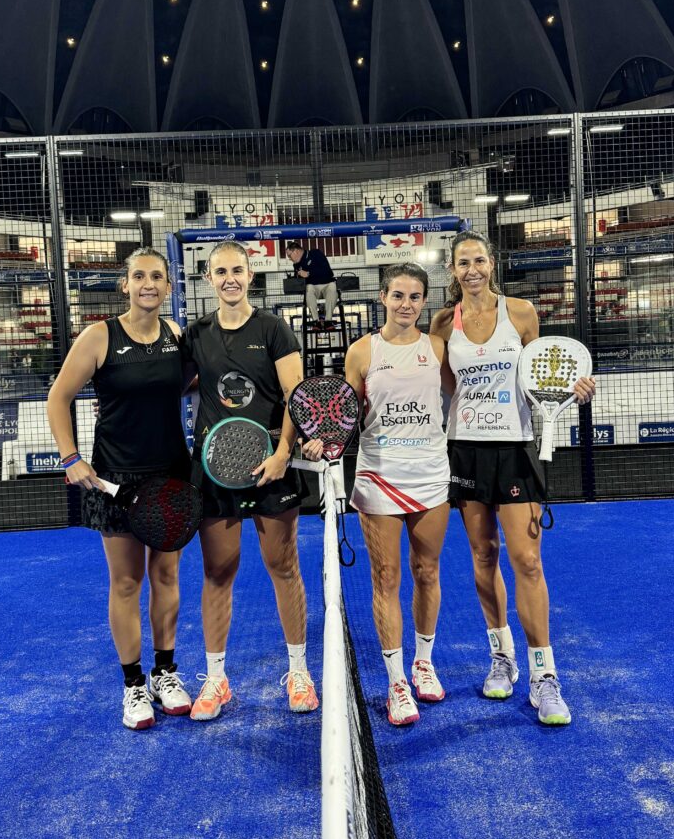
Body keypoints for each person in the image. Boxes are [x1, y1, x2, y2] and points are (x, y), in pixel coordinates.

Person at [431, 231, 595, 727]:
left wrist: (573, 389)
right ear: (453, 270)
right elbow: (447, 389)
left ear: (491, 264)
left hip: (516, 448)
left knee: (527, 560)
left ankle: (544, 675)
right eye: (463, 263)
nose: (472, 270)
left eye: (479, 260)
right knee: (484, 556)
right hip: (465, 450)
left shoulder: (521, 313)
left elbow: (542, 377)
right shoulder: (442, 323)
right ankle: (502, 657)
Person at [47, 246, 193, 731]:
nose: (148, 284)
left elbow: (184, 386)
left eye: (157, 277)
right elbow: (58, 397)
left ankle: (164, 673)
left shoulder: (176, 335)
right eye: (139, 276)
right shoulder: (98, 336)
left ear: (168, 286)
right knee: (127, 582)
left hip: (170, 474)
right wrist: (71, 458)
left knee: (166, 576)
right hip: (115, 479)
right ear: (125, 284)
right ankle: (133, 684)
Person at [183, 239, 321, 721]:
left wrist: (283, 454)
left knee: (283, 566)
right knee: (218, 572)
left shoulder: (273, 329)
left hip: (270, 468)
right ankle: (216, 679)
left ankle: (299, 672)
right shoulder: (195, 335)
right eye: (220, 272)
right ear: (208, 278)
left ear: (251, 275)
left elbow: (295, 395)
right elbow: (171, 385)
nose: (230, 279)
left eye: (237, 271)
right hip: (215, 469)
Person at [344, 262, 451, 727]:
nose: (406, 304)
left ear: (423, 301)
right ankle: (396, 682)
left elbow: (463, 395)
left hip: (430, 475)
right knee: (386, 578)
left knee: (427, 572)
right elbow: (344, 414)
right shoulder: (361, 351)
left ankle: (423, 663)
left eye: (414, 296)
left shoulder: (438, 348)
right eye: (398, 295)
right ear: (383, 298)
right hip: (379, 476)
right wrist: (322, 439)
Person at [285, 240, 337, 328]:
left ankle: (328, 320)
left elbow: (327, 272)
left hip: (327, 284)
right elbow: (299, 282)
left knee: (332, 286)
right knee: (309, 288)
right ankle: (315, 321)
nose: (289, 259)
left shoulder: (315, 253)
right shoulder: (296, 265)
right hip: (313, 288)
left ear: (296, 251)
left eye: (289, 256)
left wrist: (309, 273)